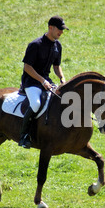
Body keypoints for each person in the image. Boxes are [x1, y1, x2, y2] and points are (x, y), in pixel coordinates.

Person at [18, 15, 69, 148]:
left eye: (63, 30)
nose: (61, 32)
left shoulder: (58, 45)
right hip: (31, 82)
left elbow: (56, 66)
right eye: (59, 29)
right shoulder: (35, 45)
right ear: (50, 27)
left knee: (59, 100)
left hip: (47, 81)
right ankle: (24, 136)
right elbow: (27, 67)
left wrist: (62, 79)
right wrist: (42, 81)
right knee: (36, 104)